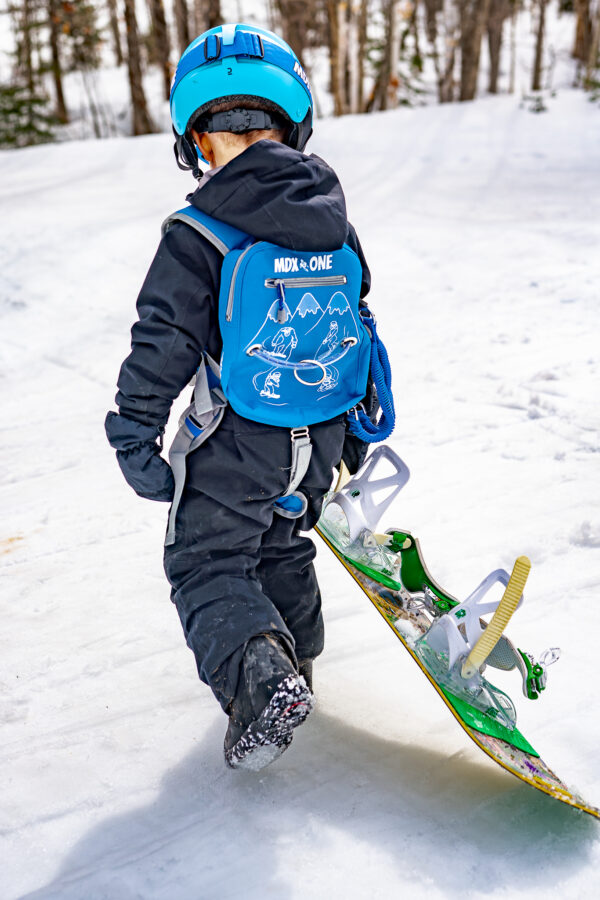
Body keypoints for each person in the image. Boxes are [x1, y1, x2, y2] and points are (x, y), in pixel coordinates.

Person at [105, 24, 374, 771]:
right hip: (316, 436)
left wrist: (133, 432)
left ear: (195, 143)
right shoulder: (334, 221)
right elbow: (359, 324)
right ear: (294, 125)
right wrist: (357, 423)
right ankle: (299, 665)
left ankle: (260, 675)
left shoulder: (199, 230)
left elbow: (162, 340)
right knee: (282, 542)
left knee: (208, 560)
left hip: (237, 440)